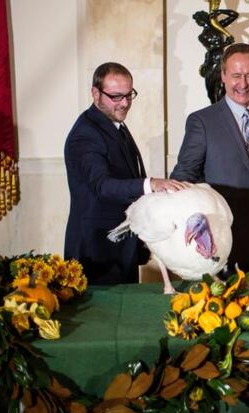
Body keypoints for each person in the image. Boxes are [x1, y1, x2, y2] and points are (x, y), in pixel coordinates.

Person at [171, 43, 249, 279]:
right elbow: (182, 178)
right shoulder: (202, 122)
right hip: (223, 245)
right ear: (223, 76)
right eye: (236, 75)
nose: (243, 83)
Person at [64, 62, 186, 285]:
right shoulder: (86, 133)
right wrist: (151, 184)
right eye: (116, 96)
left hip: (121, 248)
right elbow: (102, 186)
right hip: (97, 252)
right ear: (95, 93)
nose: (125, 103)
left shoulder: (112, 123)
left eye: (129, 95)